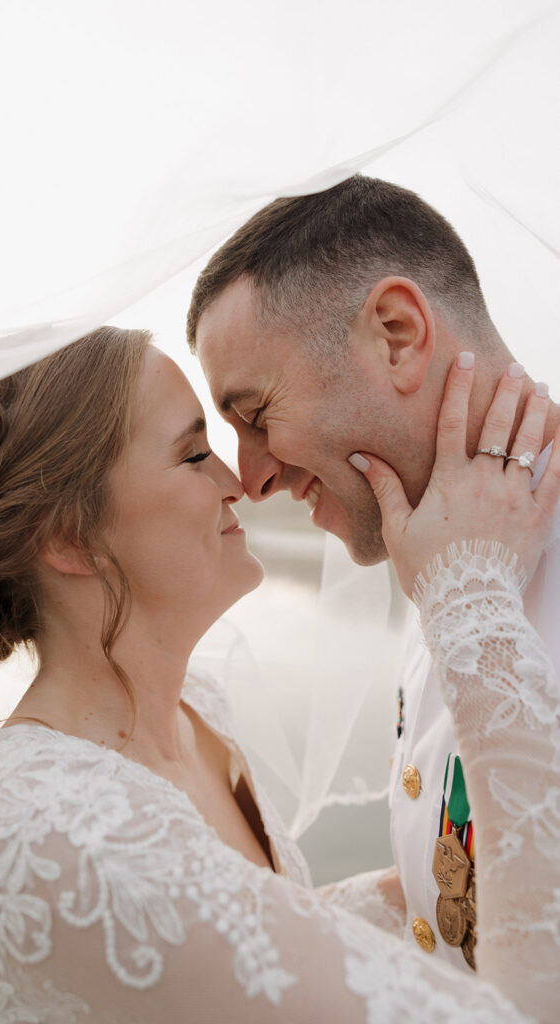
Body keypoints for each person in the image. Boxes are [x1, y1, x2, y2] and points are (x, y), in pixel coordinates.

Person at [0, 324, 560, 1022]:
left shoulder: (192, 717)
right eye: (192, 454)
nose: (238, 482)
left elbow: (249, 944)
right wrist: (470, 600)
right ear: (67, 537)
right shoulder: (53, 831)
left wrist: (430, 885)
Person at [187, 174, 560, 971]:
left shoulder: (463, 577)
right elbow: (454, 884)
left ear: (396, 334)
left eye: (255, 418)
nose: (250, 478)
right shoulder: (449, 554)